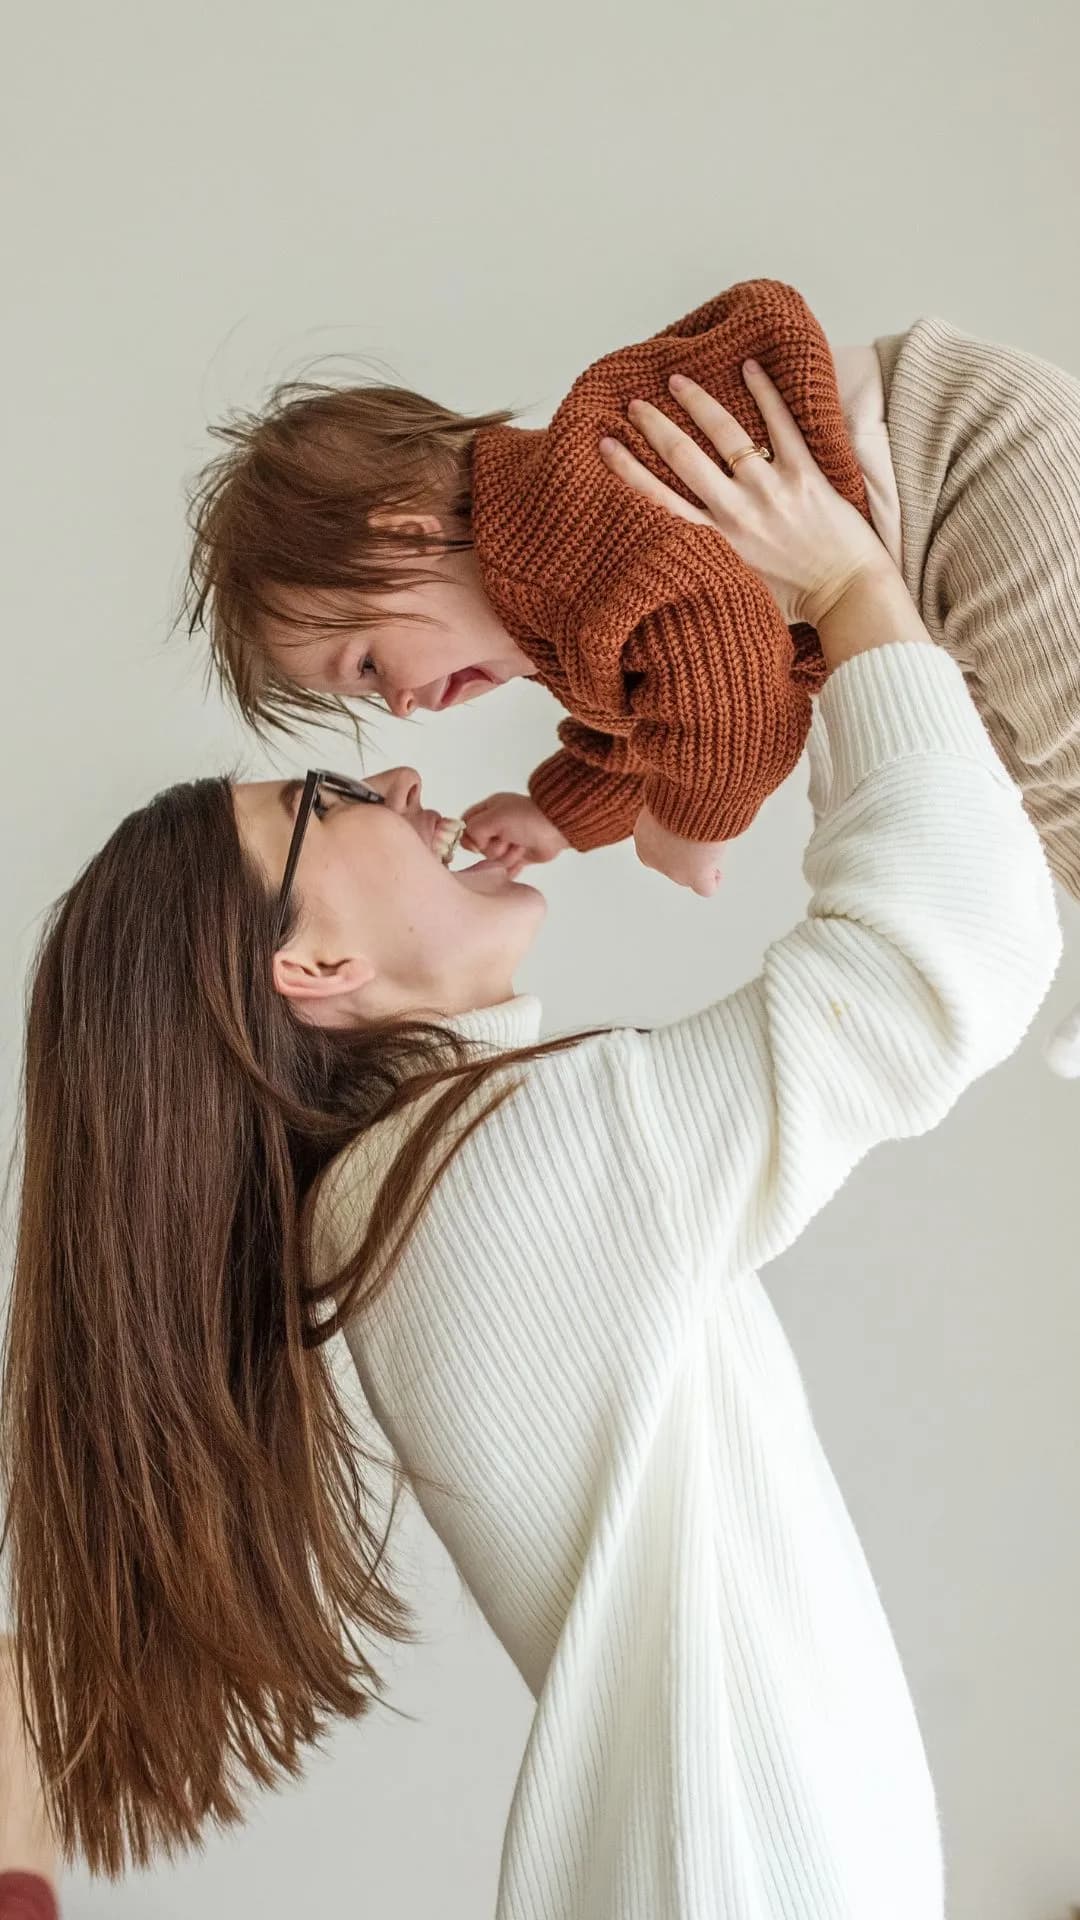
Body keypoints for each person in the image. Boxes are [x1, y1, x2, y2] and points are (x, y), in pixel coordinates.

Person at [0, 374, 1060, 1920]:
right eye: (337, 796)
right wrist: (846, 587)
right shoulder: (492, 1170)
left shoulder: (420, 1194)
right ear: (312, 969)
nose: (411, 770)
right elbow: (943, 956)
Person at [184, 283, 1080, 1069]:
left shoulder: (558, 530)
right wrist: (558, 815)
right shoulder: (542, 604)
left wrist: (694, 820)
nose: (405, 704)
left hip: (962, 454)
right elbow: (644, 719)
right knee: (1031, 777)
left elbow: (731, 686)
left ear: (404, 539)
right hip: (922, 534)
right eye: (371, 696)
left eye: (372, 664)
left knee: (1060, 737)